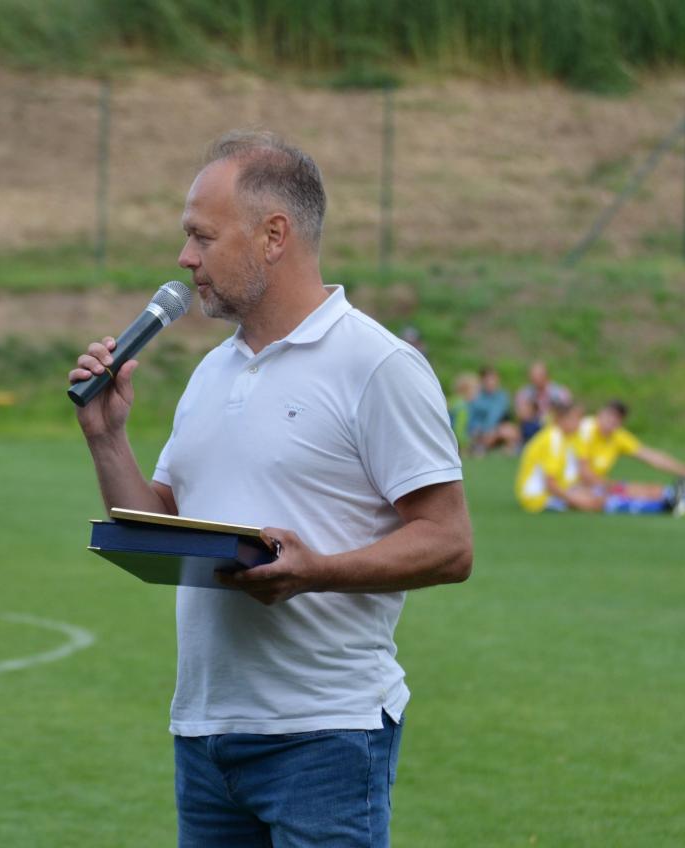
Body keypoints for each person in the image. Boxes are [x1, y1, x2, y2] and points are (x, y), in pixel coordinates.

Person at [68, 130, 473, 847]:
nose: (184, 257)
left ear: (273, 235)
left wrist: (317, 571)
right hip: (205, 734)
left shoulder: (377, 364)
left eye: (202, 236)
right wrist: (107, 437)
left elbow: (450, 543)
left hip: (326, 735)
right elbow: (157, 525)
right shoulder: (211, 373)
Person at [516, 398, 685, 516]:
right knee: (601, 500)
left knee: (616, 493)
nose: (579, 422)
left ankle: (666, 498)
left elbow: (648, 454)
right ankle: (659, 506)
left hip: (567, 487)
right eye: (576, 418)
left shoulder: (567, 436)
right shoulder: (561, 437)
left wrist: (684, 470)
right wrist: (578, 499)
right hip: (539, 498)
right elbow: (561, 480)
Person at [576, 400, 685, 500]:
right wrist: (620, 488)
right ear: (600, 413)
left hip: (596, 486)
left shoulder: (617, 435)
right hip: (575, 486)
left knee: (653, 491)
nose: (612, 420)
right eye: (610, 415)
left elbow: (651, 456)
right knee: (643, 492)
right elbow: (585, 474)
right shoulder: (586, 429)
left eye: (617, 418)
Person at [514, 360, 571, 444]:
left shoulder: (559, 393)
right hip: (532, 427)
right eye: (533, 376)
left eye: (539, 375)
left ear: (547, 375)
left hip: (554, 426)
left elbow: (567, 412)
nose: (536, 379)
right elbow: (520, 415)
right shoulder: (524, 393)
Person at [466, 365, 519, 456]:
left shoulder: (502, 396)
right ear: (482, 381)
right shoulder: (476, 396)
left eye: (493, 379)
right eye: (488, 380)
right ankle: (479, 447)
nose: (491, 382)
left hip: (496, 430)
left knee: (510, 430)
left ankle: (508, 449)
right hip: (478, 431)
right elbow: (471, 417)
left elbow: (497, 415)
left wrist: (491, 430)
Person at [448, 371, 479, 454]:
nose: (478, 393)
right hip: (451, 442)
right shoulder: (462, 408)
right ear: (466, 390)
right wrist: (467, 444)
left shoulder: (453, 401)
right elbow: (458, 430)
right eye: (475, 390)